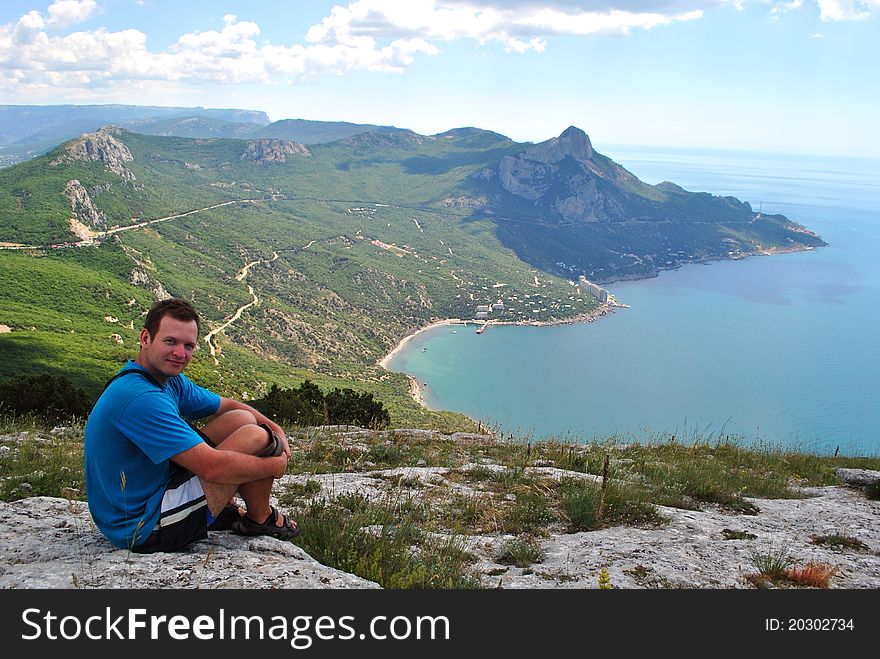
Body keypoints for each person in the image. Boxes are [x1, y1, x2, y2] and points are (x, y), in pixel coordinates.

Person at [84, 298, 300, 552]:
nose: (179, 353)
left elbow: (227, 406)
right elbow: (212, 469)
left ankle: (226, 511)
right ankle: (260, 519)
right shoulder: (140, 398)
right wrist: (274, 464)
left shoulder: (164, 379)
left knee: (242, 420)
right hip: (144, 526)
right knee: (257, 437)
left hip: (152, 492)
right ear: (145, 338)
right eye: (170, 341)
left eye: (188, 346)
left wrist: (277, 429)